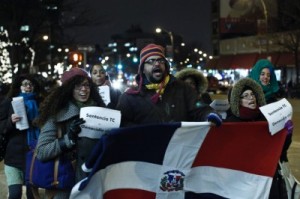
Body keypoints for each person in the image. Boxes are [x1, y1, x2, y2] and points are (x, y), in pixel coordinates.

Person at [35, 67, 105, 198]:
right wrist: (68, 139)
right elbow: (42, 152)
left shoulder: (101, 112)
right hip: (66, 185)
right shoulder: (56, 115)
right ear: (68, 89)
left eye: (86, 85)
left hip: (93, 183)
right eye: (77, 86)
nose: (83, 89)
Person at [116, 43, 222, 127]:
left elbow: (199, 109)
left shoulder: (183, 89)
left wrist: (209, 115)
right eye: (151, 61)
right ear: (142, 69)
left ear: (166, 66)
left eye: (160, 60)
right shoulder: (130, 97)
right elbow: (122, 124)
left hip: (179, 150)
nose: (157, 64)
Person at [4, 74, 42, 199]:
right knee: (15, 194)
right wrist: (10, 121)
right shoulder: (10, 103)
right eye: (25, 84)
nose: (28, 87)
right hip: (13, 158)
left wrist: (40, 122)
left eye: (31, 84)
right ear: (19, 87)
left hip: (33, 157)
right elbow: (1, 126)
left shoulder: (41, 104)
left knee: (32, 195)